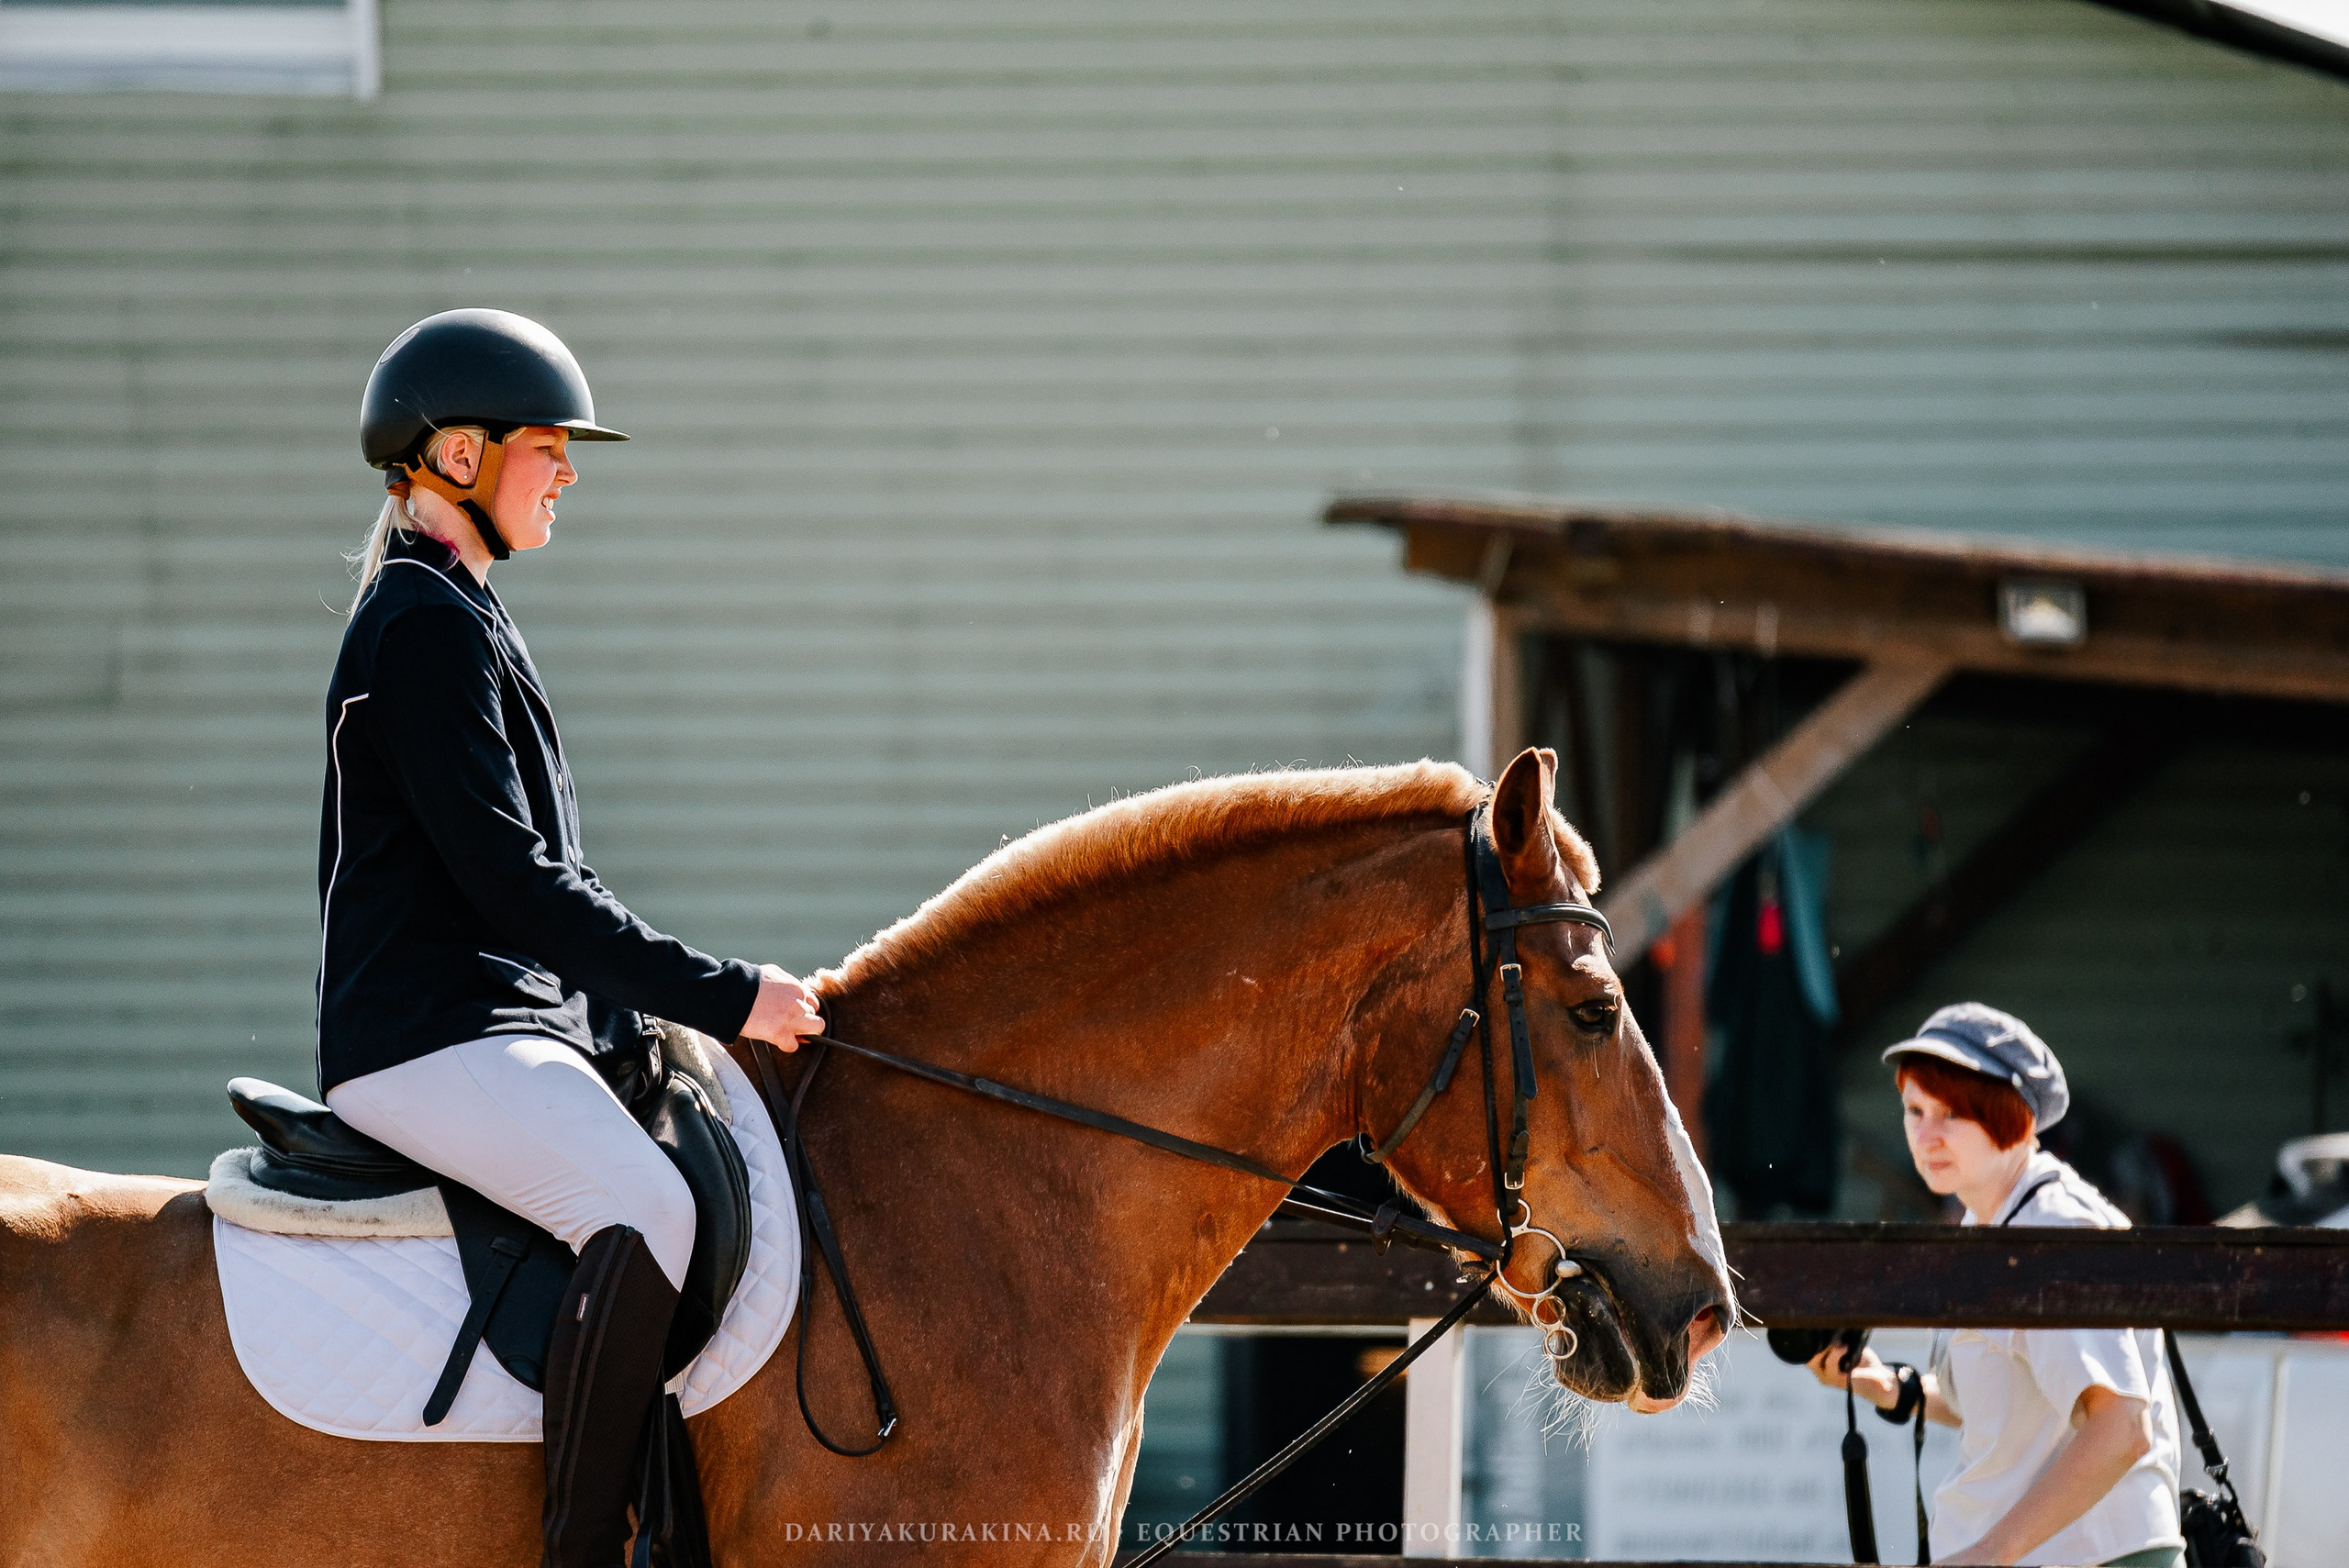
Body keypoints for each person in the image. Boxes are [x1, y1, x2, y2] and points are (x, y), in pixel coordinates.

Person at [318, 308, 823, 1567]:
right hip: (428, 1036)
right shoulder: (424, 624)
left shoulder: (465, 612)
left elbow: (539, 887)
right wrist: (723, 994)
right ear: (461, 459)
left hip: (500, 1026)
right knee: (646, 1208)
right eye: (548, 445)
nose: (570, 470)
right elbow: (517, 887)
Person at [1809, 1003, 2185, 1568]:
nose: (1927, 1135)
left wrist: (1991, 1552)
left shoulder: (2053, 1230)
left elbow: (2121, 1426)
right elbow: (2023, 1407)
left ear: (2014, 1118)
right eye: (1914, 1110)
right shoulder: (1993, 1221)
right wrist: (1892, 1388)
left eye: (1952, 1114)